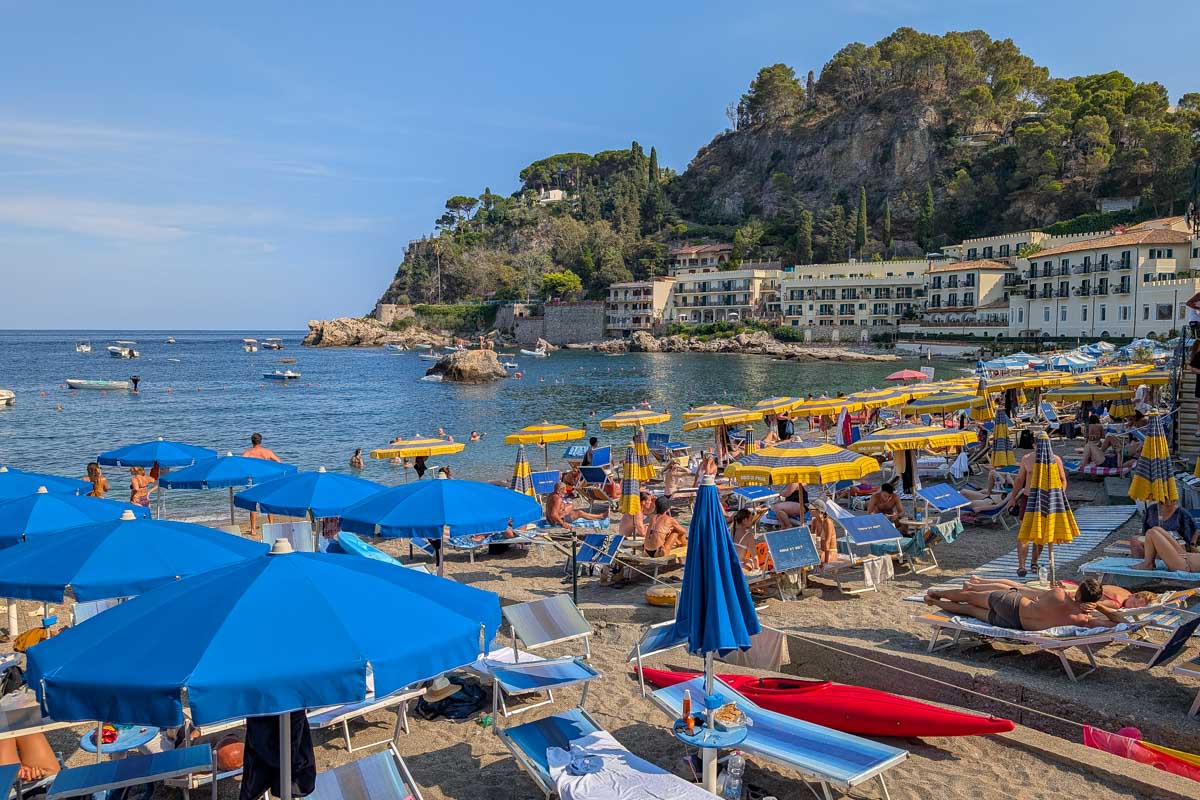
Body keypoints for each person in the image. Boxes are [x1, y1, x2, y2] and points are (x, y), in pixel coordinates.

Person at [925, 578, 1121, 631]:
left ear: (1078, 591)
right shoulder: (1083, 620)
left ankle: (936, 594)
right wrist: (1101, 608)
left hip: (1012, 604)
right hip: (1013, 623)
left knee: (969, 596)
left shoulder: (1060, 594)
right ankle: (934, 601)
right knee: (967, 609)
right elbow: (1122, 623)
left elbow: (1038, 599)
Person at [1003, 443, 1067, 577]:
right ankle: (1021, 566)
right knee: (1024, 532)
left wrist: (1058, 497)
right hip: (1028, 497)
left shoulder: (1055, 459)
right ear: (1034, 445)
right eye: (1039, 443)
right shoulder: (1027, 459)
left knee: (1041, 534)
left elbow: (1062, 480)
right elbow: (1020, 479)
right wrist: (1013, 497)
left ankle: (1034, 562)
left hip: (1046, 498)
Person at [962, 576, 1155, 611]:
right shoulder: (1118, 603)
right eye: (1138, 604)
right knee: (1015, 589)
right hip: (1066, 595)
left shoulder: (1125, 591)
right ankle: (974, 587)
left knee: (1016, 586)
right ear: (1137, 596)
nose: (1135, 607)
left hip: (1073, 588)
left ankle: (979, 582)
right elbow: (1094, 605)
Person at [1131, 499, 1198, 558]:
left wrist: (1192, 545)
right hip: (1153, 537)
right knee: (1135, 540)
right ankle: (1140, 564)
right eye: (1164, 502)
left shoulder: (1182, 513)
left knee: (1160, 546)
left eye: (1171, 501)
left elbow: (1194, 531)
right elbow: (1145, 528)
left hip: (1175, 541)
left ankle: (1156, 565)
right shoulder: (1152, 510)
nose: (1168, 503)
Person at [243, 433, 282, 534]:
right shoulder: (267, 452)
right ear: (261, 441)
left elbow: (241, 465)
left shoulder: (248, 453)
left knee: (252, 505)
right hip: (265, 479)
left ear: (252, 441)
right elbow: (278, 461)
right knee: (268, 502)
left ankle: (253, 529)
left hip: (252, 479)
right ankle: (271, 525)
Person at [544, 483, 608, 528]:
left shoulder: (551, 495)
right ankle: (600, 516)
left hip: (549, 519)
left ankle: (567, 513)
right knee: (580, 513)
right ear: (560, 490)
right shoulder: (558, 499)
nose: (566, 491)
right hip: (556, 521)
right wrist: (563, 523)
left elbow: (551, 510)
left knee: (570, 505)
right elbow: (553, 514)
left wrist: (563, 508)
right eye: (564, 490)